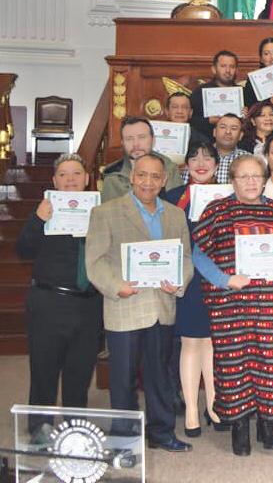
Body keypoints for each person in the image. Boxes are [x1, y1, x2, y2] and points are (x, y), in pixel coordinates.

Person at [85, 153, 193, 451]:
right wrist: (116, 286)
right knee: (123, 379)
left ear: (164, 180)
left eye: (155, 176)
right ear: (131, 177)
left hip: (162, 307)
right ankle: (124, 438)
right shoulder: (105, 212)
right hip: (125, 306)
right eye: (142, 175)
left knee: (160, 376)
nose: (148, 182)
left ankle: (162, 433)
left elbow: (185, 257)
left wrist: (179, 281)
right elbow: (95, 260)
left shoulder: (175, 215)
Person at [192, 155, 273, 456]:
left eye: (256, 176)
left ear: (264, 179)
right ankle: (239, 424)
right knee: (232, 363)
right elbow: (199, 254)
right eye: (243, 176)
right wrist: (224, 279)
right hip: (230, 301)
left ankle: (267, 422)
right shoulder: (216, 210)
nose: (251, 181)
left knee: (271, 362)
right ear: (233, 181)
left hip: (271, 301)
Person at [16, 154, 102, 441]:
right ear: (54, 180)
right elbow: (23, 250)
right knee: (44, 369)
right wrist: (38, 219)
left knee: (81, 370)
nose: (70, 179)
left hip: (89, 304)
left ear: (86, 178)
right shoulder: (43, 210)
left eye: (76, 173)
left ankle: (75, 426)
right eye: (63, 174)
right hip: (49, 302)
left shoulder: (100, 211)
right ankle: (40, 426)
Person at [162, 142, 231, 437]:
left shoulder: (229, 194)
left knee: (214, 343)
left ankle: (214, 405)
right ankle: (191, 409)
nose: (201, 163)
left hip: (220, 278)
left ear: (217, 164)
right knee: (191, 342)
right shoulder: (173, 198)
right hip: (188, 280)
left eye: (207, 157)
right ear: (186, 164)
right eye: (194, 157)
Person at [101, 117, 182, 202]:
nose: (136, 144)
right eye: (129, 139)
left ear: (153, 140)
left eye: (142, 137)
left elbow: (176, 206)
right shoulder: (113, 176)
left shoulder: (169, 169)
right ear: (122, 143)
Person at [189, 50, 240, 140]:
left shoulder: (243, 93)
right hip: (205, 141)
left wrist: (246, 115)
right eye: (223, 66)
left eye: (232, 67)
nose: (228, 70)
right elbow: (191, 120)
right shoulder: (200, 92)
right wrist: (208, 121)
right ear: (214, 69)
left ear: (236, 70)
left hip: (237, 142)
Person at [211, 113, 250, 184]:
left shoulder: (248, 159)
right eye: (223, 127)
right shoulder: (200, 156)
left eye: (234, 128)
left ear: (241, 135)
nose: (228, 132)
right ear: (214, 132)